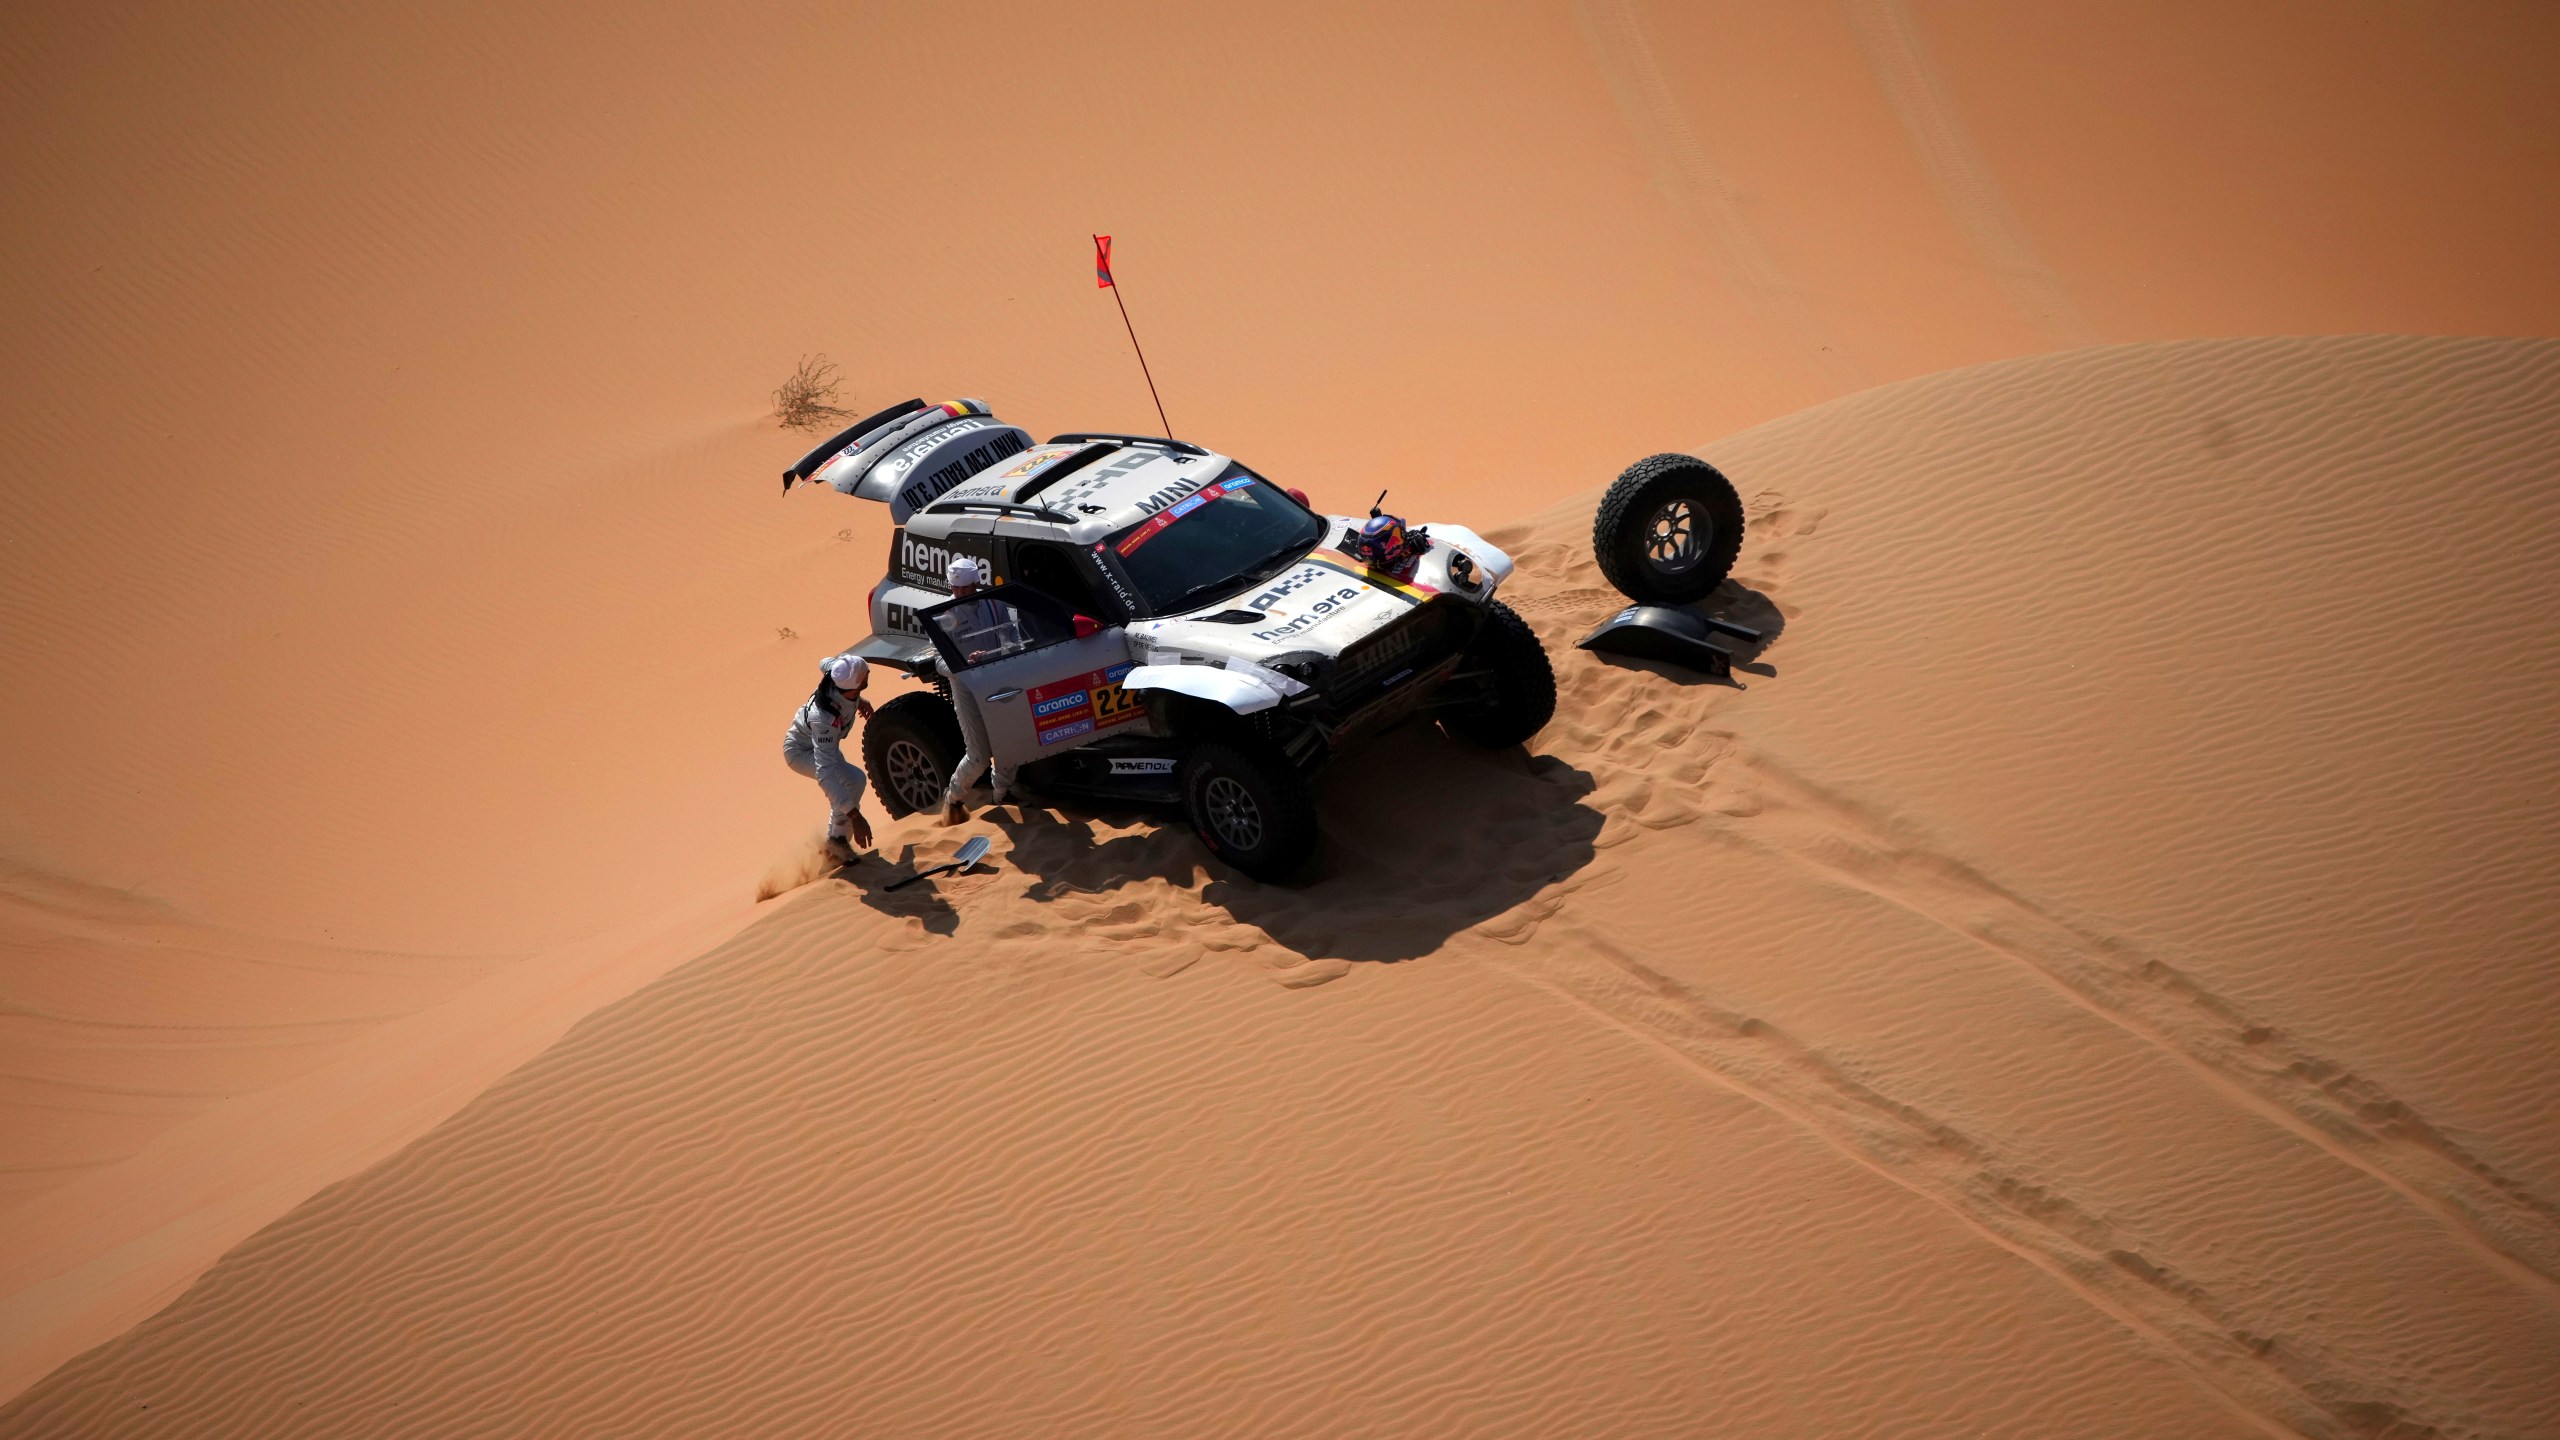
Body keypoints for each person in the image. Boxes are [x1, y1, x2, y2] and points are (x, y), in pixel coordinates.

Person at [935, 556, 1020, 825]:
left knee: (1011, 742)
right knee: (979, 756)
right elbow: (938, 661)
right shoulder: (943, 615)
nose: (960, 593)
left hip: (998, 677)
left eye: (966, 588)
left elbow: (1012, 638)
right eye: (956, 588)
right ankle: (954, 798)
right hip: (966, 687)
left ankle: (1003, 793)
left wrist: (1004, 652)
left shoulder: (995, 603)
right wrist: (962, 664)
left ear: (977, 583)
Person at [783, 651, 874, 864]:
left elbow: (822, 661)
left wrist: (860, 701)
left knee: (852, 781)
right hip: (801, 752)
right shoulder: (824, 721)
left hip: (824, 747)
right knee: (852, 780)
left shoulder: (836, 671)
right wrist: (854, 815)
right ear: (855, 685)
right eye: (865, 674)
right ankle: (837, 842)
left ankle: (836, 843)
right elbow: (825, 774)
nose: (869, 672)